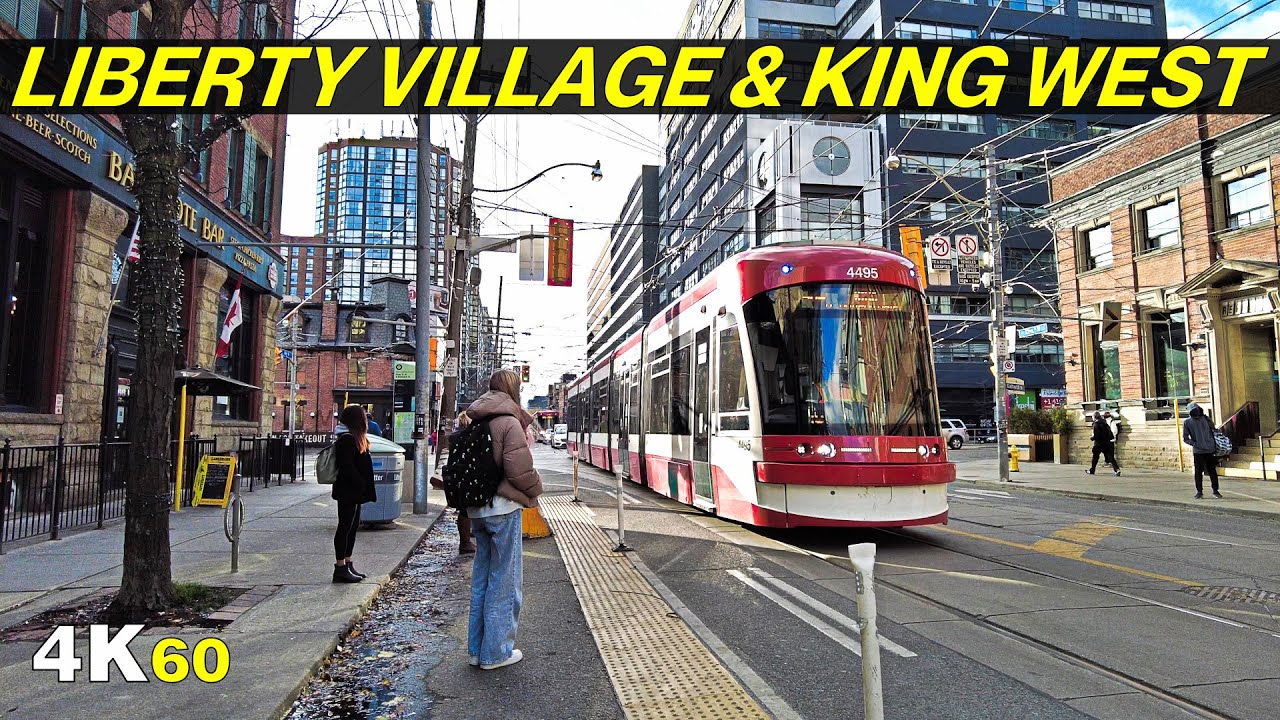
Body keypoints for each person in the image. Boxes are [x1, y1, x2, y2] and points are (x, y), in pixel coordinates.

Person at [464, 369, 544, 670]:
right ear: (513, 390)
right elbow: (519, 471)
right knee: (505, 581)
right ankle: (496, 653)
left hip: (478, 510)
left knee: (482, 579)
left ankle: (476, 649)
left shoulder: (478, 417)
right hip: (502, 508)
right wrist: (537, 488)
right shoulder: (508, 421)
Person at [332, 404, 376, 583]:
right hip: (347, 491)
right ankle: (340, 567)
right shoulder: (347, 439)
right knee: (344, 527)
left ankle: (348, 562)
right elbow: (347, 467)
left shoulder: (356, 438)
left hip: (354, 491)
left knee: (352, 527)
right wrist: (360, 483)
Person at [1183, 403, 1222, 499]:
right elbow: (1185, 438)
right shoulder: (1188, 422)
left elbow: (1214, 429)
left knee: (1211, 470)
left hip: (1209, 449)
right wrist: (1195, 444)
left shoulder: (1205, 419)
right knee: (1200, 471)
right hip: (1199, 451)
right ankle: (1200, 491)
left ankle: (1214, 490)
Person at [1087, 411, 1120, 476]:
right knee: (1111, 457)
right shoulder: (1105, 423)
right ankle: (1117, 469)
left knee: (1095, 457)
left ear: (1094, 417)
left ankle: (1092, 470)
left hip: (1099, 443)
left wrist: (1092, 438)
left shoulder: (1096, 424)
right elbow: (1109, 433)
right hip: (1107, 443)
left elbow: (1097, 435)